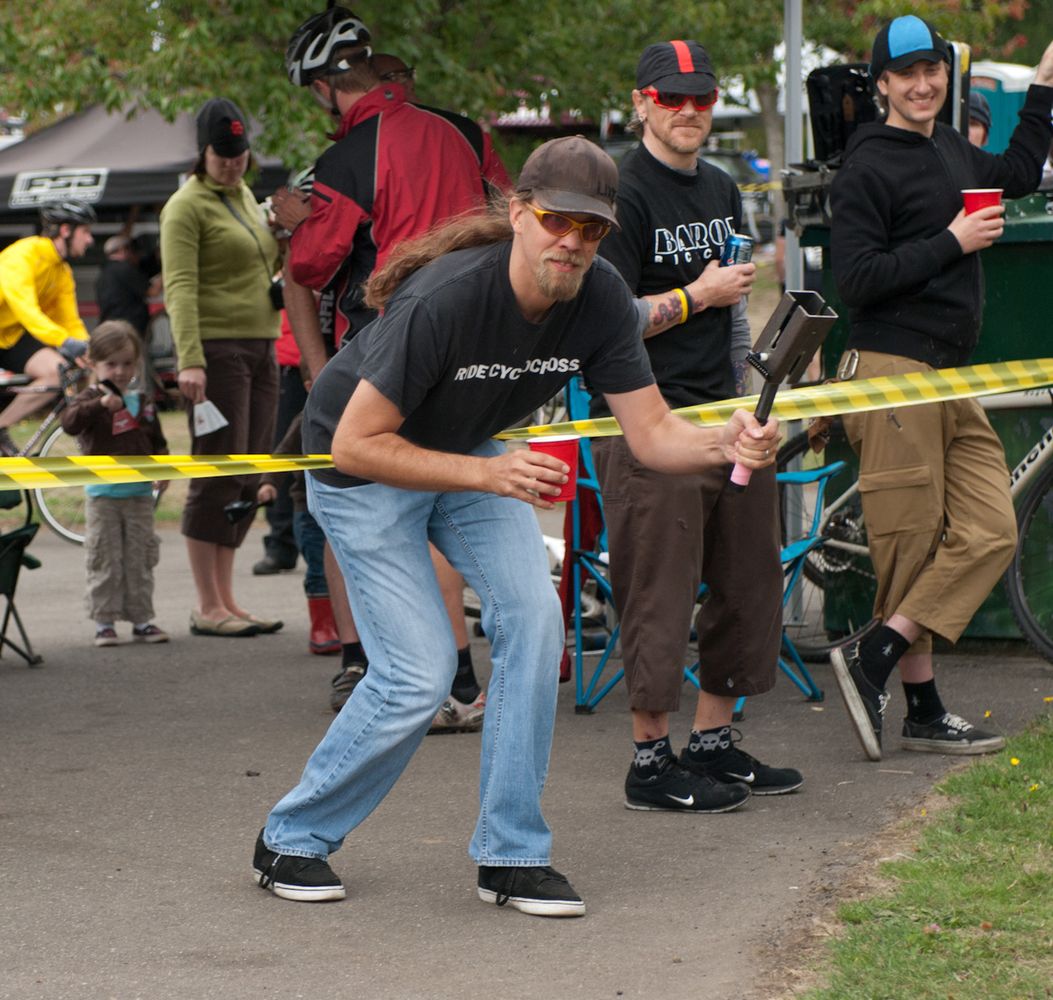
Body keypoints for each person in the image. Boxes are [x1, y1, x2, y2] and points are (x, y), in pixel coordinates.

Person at [251, 135, 780, 917]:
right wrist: (488, 472)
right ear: (518, 213)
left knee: (534, 628)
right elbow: (353, 442)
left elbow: (653, 436)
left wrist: (726, 439)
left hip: (462, 453)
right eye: (556, 221)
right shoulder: (448, 297)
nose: (571, 242)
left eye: (591, 229)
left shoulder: (598, 298)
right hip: (358, 469)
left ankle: (510, 856)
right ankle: (291, 837)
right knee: (418, 672)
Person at [829, 16, 1053, 761]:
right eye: (906, 74)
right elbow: (853, 279)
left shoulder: (949, 146)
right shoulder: (866, 166)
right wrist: (948, 245)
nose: (923, 84)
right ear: (882, 84)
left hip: (946, 376)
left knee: (989, 529)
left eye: (932, 70)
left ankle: (877, 654)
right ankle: (922, 708)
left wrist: (1044, 90)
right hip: (889, 371)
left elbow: (1017, 174)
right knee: (909, 546)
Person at [273, 7, 507, 716]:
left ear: (321, 88)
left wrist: (294, 223)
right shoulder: (465, 131)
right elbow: (508, 210)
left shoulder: (348, 159)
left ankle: (391, 672)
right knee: (447, 494)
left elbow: (312, 264)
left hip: (385, 348)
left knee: (357, 503)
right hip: (476, 338)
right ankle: (459, 680)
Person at [590, 39, 801, 813]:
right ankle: (649, 762)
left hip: (725, 412)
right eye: (671, 98)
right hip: (647, 419)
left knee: (747, 579)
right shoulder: (617, 190)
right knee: (659, 592)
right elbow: (603, 321)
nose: (687, 112)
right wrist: (693, 295)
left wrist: (752, 395)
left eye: (700, 100)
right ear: (642, 100)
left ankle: (713, 744)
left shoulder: (719, 186)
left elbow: (736, 309)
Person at [160, 97, 282, 638]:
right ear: (202, 153)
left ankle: (228, 599)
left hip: (262, 346)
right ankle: (206, 603)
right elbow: (179, 287)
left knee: (247, 474)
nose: (232, 163)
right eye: (222, 154)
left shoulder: (248, 200)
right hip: (216, 350)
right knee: (214, 471)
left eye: (239, 153)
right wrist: (190, 359)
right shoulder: (186, 206)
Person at [59, 320, 169, 647]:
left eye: (126, 363)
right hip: (102, 495)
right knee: (105, 557)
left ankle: (142, 619)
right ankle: (104, 621)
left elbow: (157, 440)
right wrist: (98, 405)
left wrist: (163, 468)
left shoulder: (143, 401)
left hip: (139, 495)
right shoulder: (89, 398)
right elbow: (69, 423)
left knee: (140, 558)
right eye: (111, 364)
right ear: (93, 364)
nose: (119, 371)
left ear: (136, 363)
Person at [0, 201, 94, 455]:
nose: (90, 240)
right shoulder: (22, 256)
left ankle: (0, 428)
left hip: (9, 336)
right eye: (85, 232)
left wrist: (87, 349)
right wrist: (65, 341)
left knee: (57, 372)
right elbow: (27, 310)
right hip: (15, 326)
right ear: (65, 230)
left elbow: (70, 320)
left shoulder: (61, 271)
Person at [96, 234, 152, 338]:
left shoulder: (104, 271)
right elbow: (151, 291)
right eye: (130, 249)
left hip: (109, 325)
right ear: (122, 250)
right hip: (128, 328)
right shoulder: (125, 269)